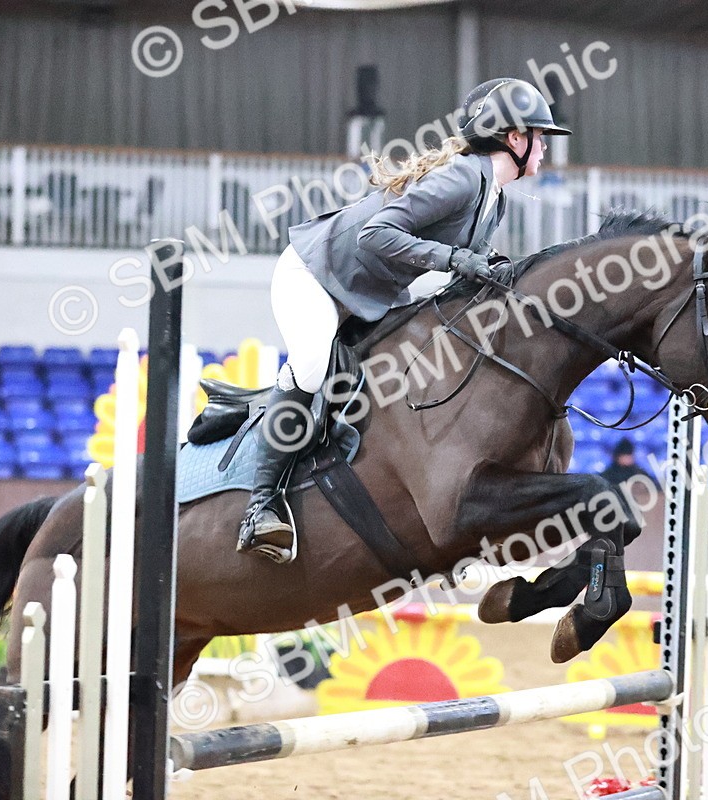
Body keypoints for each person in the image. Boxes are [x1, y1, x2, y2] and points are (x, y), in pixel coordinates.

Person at [238, 78, 572, 564]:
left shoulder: (493, 197)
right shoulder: (462, 179)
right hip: (315, 274)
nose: (544, 147)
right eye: (539, 136)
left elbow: (465, 268)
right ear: (514, 139)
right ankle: (260, 506)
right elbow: (376, 233)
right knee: (311, 366)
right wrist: (454, 258)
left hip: (373, 292)